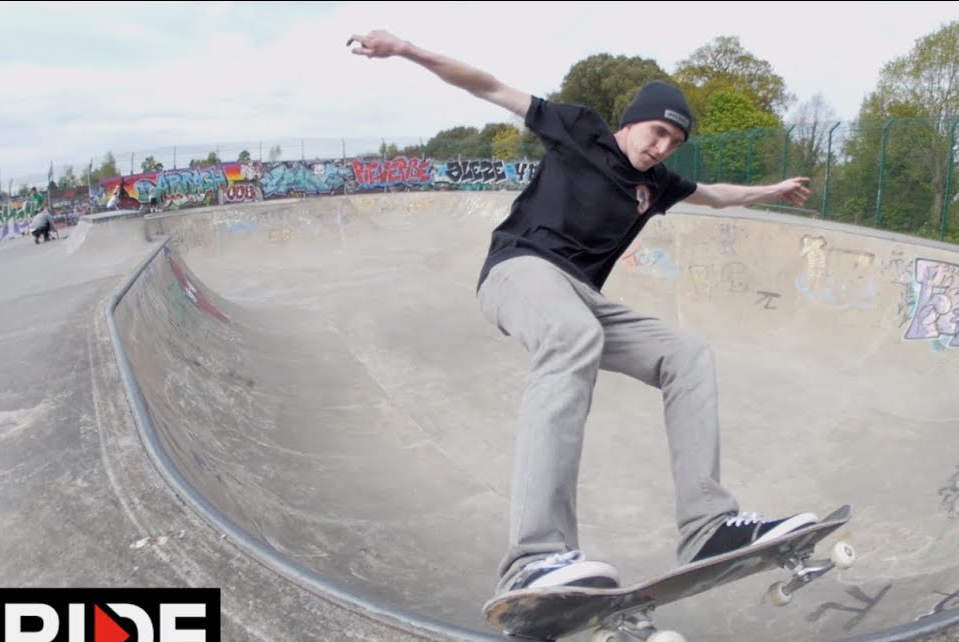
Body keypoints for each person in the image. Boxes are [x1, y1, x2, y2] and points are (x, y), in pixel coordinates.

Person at [348, 28, 822, 597]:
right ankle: (534, 555)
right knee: (573, 338)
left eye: (674, 142)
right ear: (631, 121)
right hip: (517, 269)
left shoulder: (657, 185)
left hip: (584, 295)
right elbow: (490, 86)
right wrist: (407, 50)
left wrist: (773, 190)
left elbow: (717, 194)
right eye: (658, 132)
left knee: (687, 354)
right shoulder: (576, 128)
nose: (662, 148)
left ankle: (708, 526)